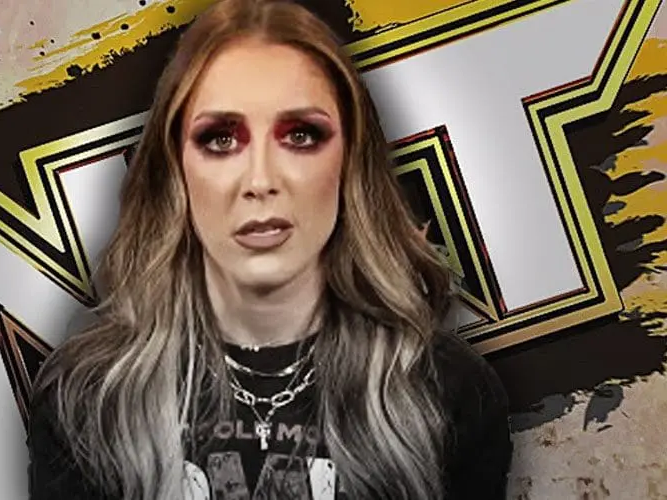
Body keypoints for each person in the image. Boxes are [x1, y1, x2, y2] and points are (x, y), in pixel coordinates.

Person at [26, 0, 513, 498]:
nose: (260, 180)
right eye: (220, 139)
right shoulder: (87, 396)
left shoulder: (445, 389)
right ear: (175, 169)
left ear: (349, 161)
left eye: (300, 135)